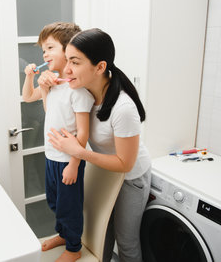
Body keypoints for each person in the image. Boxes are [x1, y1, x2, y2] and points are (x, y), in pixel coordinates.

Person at [46, 28, 152, 262]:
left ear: (100, 67)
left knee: (126, 241)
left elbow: (125, 163)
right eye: (67, 60)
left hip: (131, 178)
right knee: (100, 235)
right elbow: (54, 112)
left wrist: (79, 153)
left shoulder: (123, 108)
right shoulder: (82, 92)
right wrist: (45, 86)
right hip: (105, 170)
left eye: (75, 62)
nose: (67, 69)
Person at [22, 22, 94, 262]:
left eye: (50, 48)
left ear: (69, 51)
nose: (44, 54)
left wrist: (74, 163)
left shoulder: (79, 92)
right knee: (55, 201)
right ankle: (63, 235)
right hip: (51, 156)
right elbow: (29, 98)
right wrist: (33, 78)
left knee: (69, 207)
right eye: (43, 50)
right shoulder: (53, 84)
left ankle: (74, 248)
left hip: (68, 160)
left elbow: (82, 133)